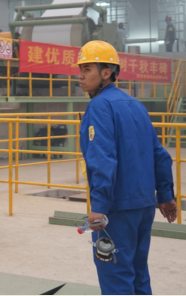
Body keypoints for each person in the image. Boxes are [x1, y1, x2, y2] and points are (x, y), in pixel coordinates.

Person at [75, 41, 176, 295]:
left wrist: (99, 207)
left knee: (116, 277)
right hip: (144, 207)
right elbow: (159, 154)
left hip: (116, 210)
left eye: (87, 69)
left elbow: (102, 159)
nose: (80, 76)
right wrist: (165, 195)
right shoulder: (136, 105)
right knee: (138, 274)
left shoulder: (99, 106)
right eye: (80, 69)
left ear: (106, 72)